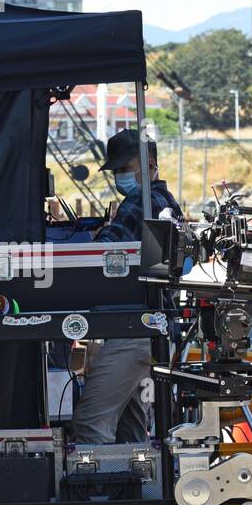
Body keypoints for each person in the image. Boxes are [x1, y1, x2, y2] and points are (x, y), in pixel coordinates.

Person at [71, 128, 182, 446]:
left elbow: (103, 252)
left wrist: (90, 236)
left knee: (90, 423)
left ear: (148, 163)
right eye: (116, 170)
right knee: (131, 433)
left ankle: (100, 494)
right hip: (153, 329)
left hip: (133, 331)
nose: (120, 175)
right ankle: (141, 491)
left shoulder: (140, 202)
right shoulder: (166, 201)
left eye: (124, 167)